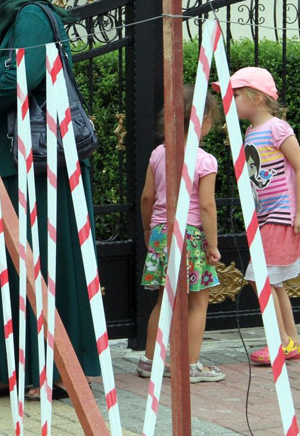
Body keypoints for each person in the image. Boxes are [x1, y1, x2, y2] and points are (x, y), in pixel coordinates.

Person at [0, 0, 101, 402]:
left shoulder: (33, 16)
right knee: (12, 267)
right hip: (17, 165)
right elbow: (0, 75)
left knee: (45, 264)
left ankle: (49, 372)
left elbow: (23, 77)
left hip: (42, 170)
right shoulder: (11, 22)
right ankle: (9, 371)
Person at [215, 67, 300, 365]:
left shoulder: (277, 128)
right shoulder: (252, 131)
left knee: (259, 278)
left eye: (236, 95)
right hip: (267, 215)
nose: (230, 102)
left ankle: (280, 341)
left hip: (281, 215)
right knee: (274, 281)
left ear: (256, 97)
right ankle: (292, 341)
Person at [136, 86, 226, 383]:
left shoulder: (158, 153)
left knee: (165, 300)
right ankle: (189, 365)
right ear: (204, 120)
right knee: (199, 301)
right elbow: (207, 206)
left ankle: (150, 360)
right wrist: (212, 246)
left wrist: (150, 229)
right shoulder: (204, 161)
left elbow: (147, 197)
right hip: (190, 236)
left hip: (162, 233)